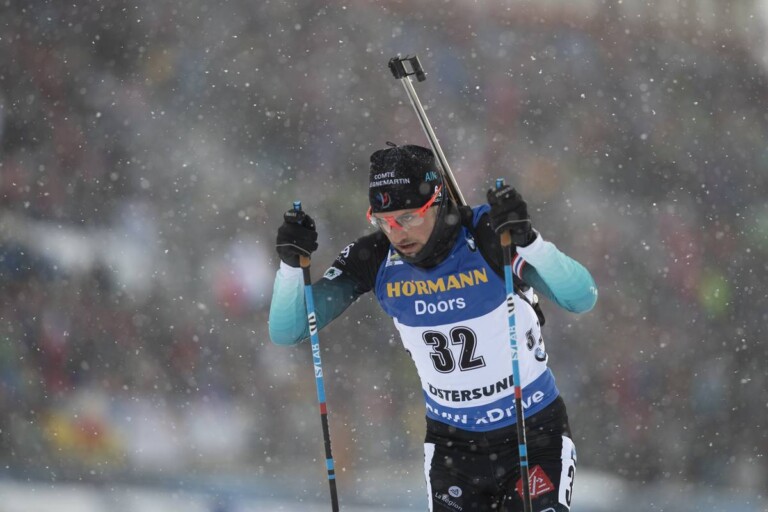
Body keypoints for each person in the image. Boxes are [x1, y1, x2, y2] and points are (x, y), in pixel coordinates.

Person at [269, 143, 597, 512]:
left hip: (531, 433)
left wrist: (529, 242)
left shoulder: (487, 234)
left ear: (437, 202)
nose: (397, 233)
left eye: (409, 217)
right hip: (454, 449)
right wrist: (290, 266)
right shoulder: (375, 257)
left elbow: (581, 297)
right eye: (384, 220)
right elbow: (288, 330)